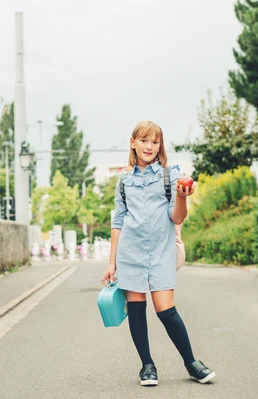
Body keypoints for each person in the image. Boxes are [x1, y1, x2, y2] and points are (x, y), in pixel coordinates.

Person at [101, 120, 215, 386]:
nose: (149, 146)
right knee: (137, 309)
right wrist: (111, 263)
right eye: (144, 141)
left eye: (155, 142)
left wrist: (183, 197)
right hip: (131, 254)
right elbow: (118, 221)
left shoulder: (170, 176)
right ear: (133, 143)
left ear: (160, 146)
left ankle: (191, 363)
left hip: (161, 252)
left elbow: (177, 218)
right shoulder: (123, 181)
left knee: (166, 310)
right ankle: (147, 366)